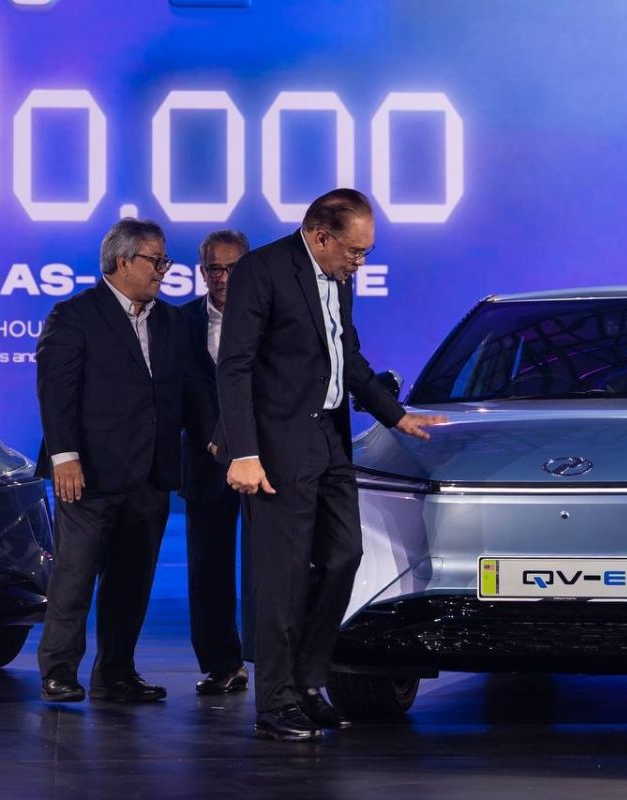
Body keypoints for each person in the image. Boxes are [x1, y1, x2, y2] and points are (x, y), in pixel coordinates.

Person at [216, 188, 446, 741]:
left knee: (344, 556)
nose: (359, 262)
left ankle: (307, 682)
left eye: (366, 253)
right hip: (275, 448)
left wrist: (396, 415)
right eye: (355, 251)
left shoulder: (338, 278)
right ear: (321, 237)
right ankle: (275, 701)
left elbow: (348, 359)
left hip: (330, 441)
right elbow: (235, 366)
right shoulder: (262, 271)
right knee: (282, 576)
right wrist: (243, 452)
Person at [35, 218, 193, 704]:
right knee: (76, 574)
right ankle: (59, 671)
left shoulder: (170, 321)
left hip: (150, 474)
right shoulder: (75, 315)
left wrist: (216, 442)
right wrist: (64, 457)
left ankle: (116, 673)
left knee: (132, 580)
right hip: (88, 474)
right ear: (123, 262)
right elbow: (56, 393)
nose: (163, 270)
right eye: (155, 260)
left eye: (165, 260)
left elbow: (186, 394)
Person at [180, 229, 252, 695]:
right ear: (202, 271)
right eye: (214, 269)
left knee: (275, 568)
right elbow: (176, 390)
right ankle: (222, 664)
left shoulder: (271, 318)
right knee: (208, 568)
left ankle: (284, 666)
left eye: (232, 268)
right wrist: (211, 440)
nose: (223, 277)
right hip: (205, 464)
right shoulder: (180, 322)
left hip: (264, 460)